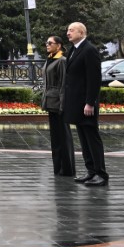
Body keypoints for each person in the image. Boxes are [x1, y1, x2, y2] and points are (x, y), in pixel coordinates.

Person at [63, 21, 108, 186]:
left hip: (86, 104)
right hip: (76, 103)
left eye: (71, 30)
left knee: (92, 138)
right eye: (68, 30)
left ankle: (101, 174)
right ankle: (91, 172)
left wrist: (90, 103)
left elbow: (94, 79)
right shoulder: (74, 50)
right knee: (83, 139)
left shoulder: (89, 50)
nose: (68, 33)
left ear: (81, 33)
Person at [42, 35, 75, 177]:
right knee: (55, 138)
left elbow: (63, 85)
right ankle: (58, 168)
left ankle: (67, 169)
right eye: (46, 43)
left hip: (58, 104)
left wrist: (63, 105)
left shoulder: (62, 61)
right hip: (51, 103)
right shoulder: (50, 58)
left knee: (63, 137)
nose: (47, 45)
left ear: (59, 45)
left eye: (50, 43)